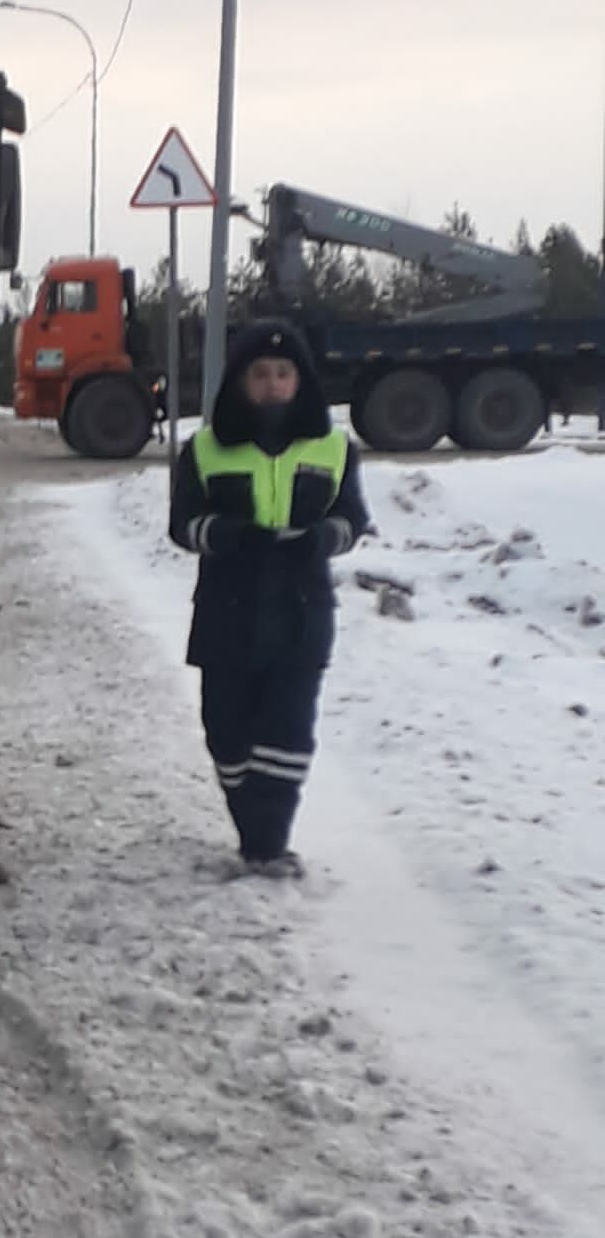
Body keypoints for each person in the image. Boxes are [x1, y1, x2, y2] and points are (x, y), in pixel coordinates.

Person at [169, 319, 371, 877]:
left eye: (284, 374)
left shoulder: (334, 448)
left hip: (301, 615)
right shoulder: (204, 449)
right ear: (239, 380)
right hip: (225, 614)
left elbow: (353, 518)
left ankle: (267, 843)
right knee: (227, 734)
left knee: (287, 731)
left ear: (302, 381)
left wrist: (324, 539)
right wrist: (231, 535)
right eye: (260, 374)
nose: (273, 385)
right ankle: (251, 825)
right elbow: (182, 525)